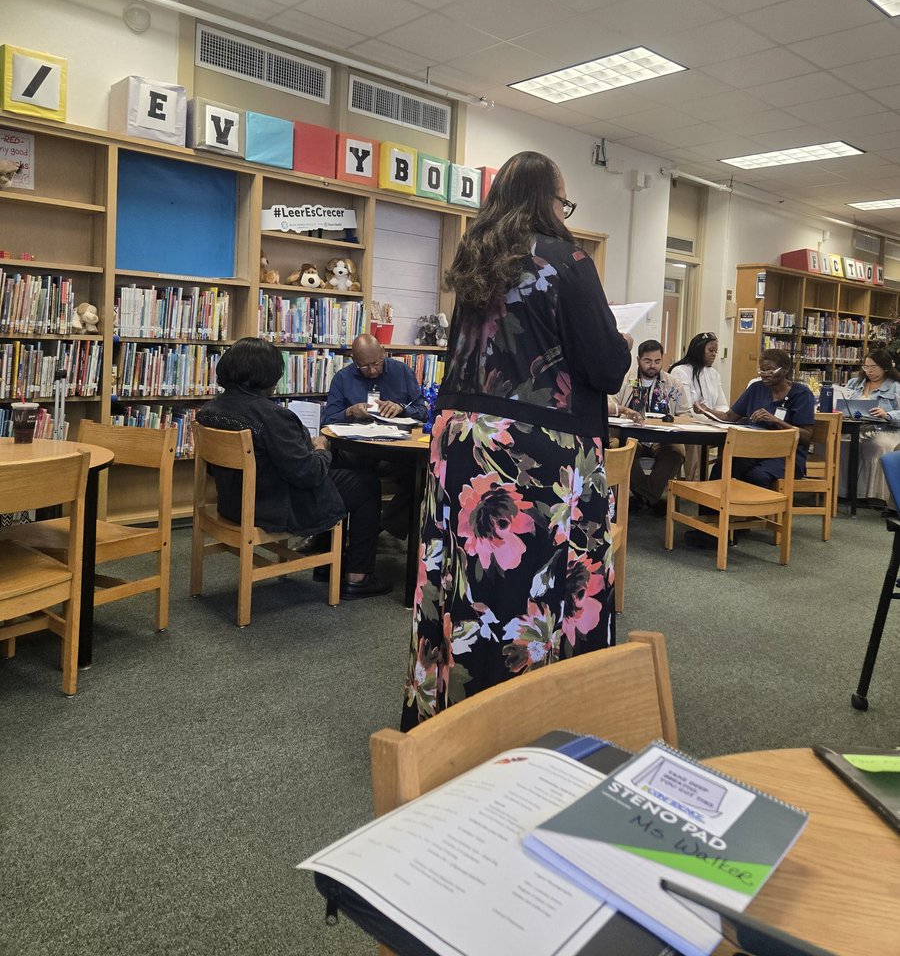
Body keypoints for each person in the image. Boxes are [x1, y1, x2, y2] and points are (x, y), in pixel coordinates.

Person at [401, 150, 632, 730]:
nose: (563, 211)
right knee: (538, 585)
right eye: (563, 201)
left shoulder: (476, 259)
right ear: (545, 200)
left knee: (460, 576)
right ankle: (530, 726)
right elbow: (605, 367)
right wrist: (622, 343)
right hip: (536, 445)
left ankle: (447, 720)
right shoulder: (567, 260)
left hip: (459, 440)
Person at [197, 337, 391, 598]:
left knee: (343, 479)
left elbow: (213, 468)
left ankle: (328, 565)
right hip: (273, 507)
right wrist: (321, 449)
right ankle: (358, 577)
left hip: (232, 503)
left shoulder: (210, 410)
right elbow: (308, 473)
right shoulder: (272, 416)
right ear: (266, 375)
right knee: (365, 484)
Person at [322, 334, 428, 537]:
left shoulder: (402, 371)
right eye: (364, 367)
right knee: (332, 464)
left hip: (395, 450)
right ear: (354, 360)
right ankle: (325, 535)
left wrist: (402, 408)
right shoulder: (342, 378)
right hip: (357, 450)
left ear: (383, 353)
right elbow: (327, 421)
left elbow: (423, 411)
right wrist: (350, 412)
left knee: (421, 472)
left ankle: (385, 524)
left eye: (376, 364)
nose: (372, 370)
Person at [696, 348, 815, 486]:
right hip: (754, 451)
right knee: (722, 468)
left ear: (786, 370)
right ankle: (715, 500)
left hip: (786, 456)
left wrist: (776, 421)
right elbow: (729, 416)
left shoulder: (801, 394)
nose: (765, 374)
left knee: (757, 476)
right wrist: (706, 410)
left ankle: (760, 501)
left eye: (770, 370)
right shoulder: (756, 388)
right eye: (762, 370)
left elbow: (806, 437)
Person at [611, 339, 691, 513]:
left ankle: (644, 497)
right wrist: (624, 412)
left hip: (663, 439)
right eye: (647, 361)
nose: (653, 366)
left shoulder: (673, 383)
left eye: (657, 361)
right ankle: (651, 499)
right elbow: (611, 404)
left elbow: (686, 414)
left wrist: (673, 421)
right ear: (638, 360)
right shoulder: (624, 379)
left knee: (676, 452)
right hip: (631, 437)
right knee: (619, 449)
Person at [839, 349, 900, 506]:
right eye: (866, 367)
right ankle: (843, 491)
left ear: (885, 367)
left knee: (876, 445)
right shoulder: (854, 383)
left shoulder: (895, 387)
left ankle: (874, 494)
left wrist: (887, 414)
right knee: (839, 443)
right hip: (856, 427)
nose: (869, 371)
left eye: (873, 367)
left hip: (885, 429)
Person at [668, 332, 728, 414]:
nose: (714, 354)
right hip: (690, 420)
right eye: (711, 350)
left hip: (712, 420)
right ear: (698, 350)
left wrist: (722, 416)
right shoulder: (680, 371)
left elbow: (722, 405)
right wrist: (710, 414)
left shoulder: (714, 374)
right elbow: (685, 409)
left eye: (716, 351)